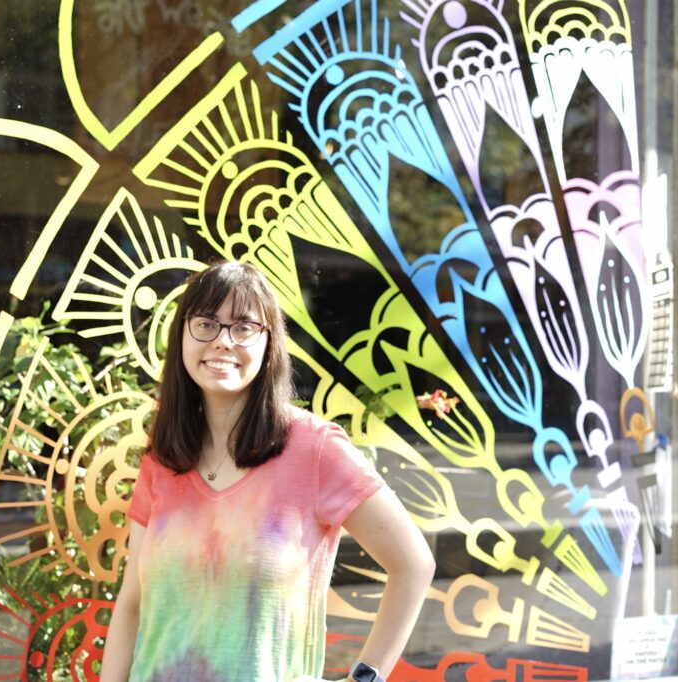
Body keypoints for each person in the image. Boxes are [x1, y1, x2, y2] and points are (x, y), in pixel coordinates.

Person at [99, 260, 436, 681]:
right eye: (206, 323)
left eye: (243, 327)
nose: (223, 341)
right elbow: (132, 605)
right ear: (182, 334)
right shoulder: (165, 457)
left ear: (269, 343)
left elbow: (413, 564)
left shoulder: (315, 449)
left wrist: (364, 678)